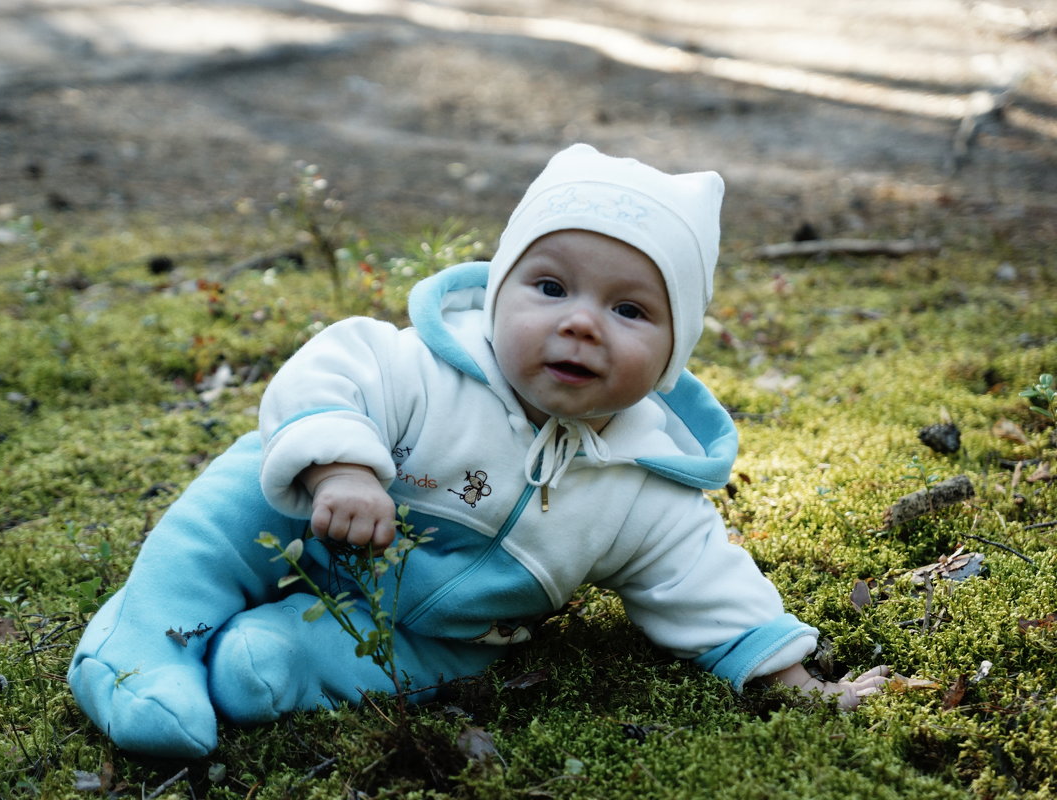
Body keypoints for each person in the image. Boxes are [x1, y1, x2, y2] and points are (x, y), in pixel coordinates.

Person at [67, 143, 889, 758]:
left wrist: (793, 680)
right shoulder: (426, 367)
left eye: (631, 310)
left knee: (288, 669)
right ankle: (144, 642)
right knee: (240, 493)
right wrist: (344, 464)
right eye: (551, 287)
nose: (580, 322)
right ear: (499, 291)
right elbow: (329, 369)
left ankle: (270, 659)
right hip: (302, 517)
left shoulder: (647, 485)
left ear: (675, 352)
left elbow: (704, 585)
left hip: (440, 629)